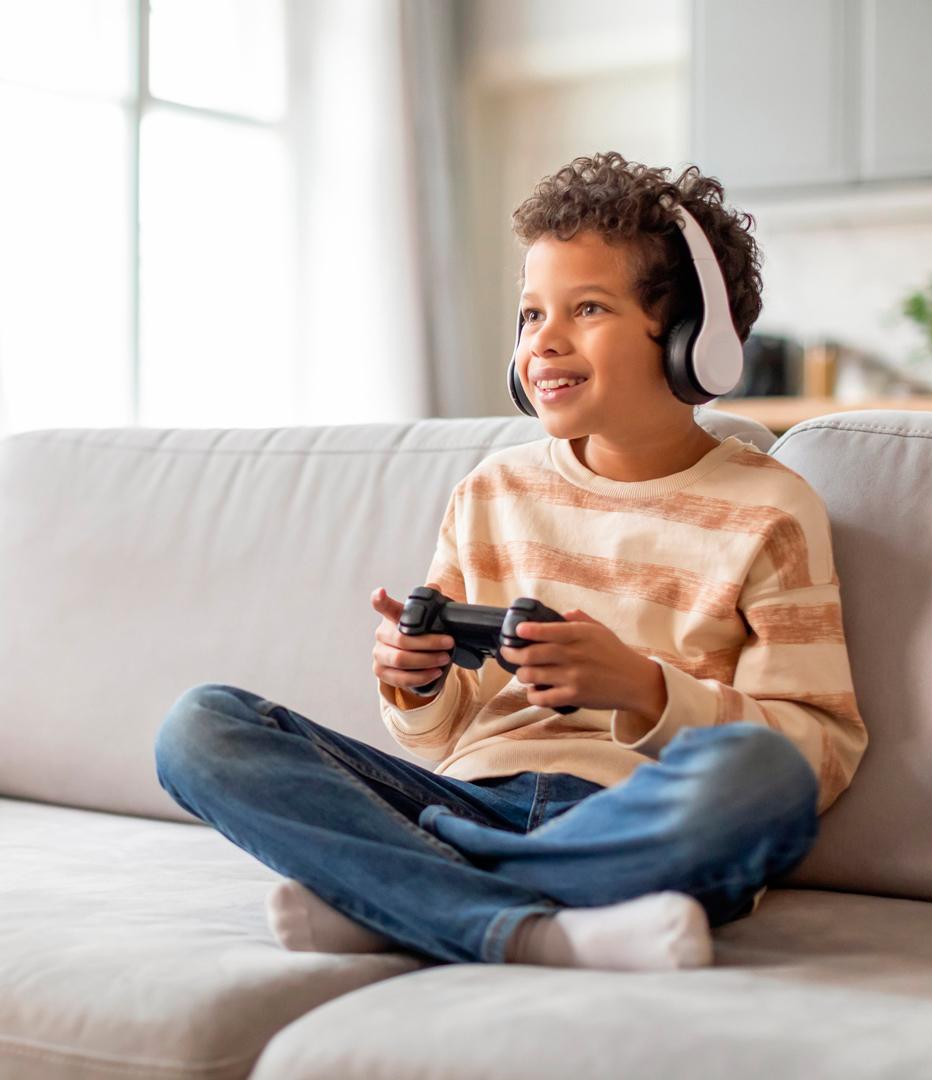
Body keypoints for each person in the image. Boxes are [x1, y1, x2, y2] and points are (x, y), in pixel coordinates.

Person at [154, 151, 868, 972]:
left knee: (762, 774)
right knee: (201, 727)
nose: (545, 342)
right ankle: (534, 927)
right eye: (531, 315)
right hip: (464, 800)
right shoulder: (493, 490)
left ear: (690, 342)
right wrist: (418, 680)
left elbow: (820, 754)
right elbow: (444, 730)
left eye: (587, 307)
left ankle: (404, 899)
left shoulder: (771, 510)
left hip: (631, 814)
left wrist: (643, 689)